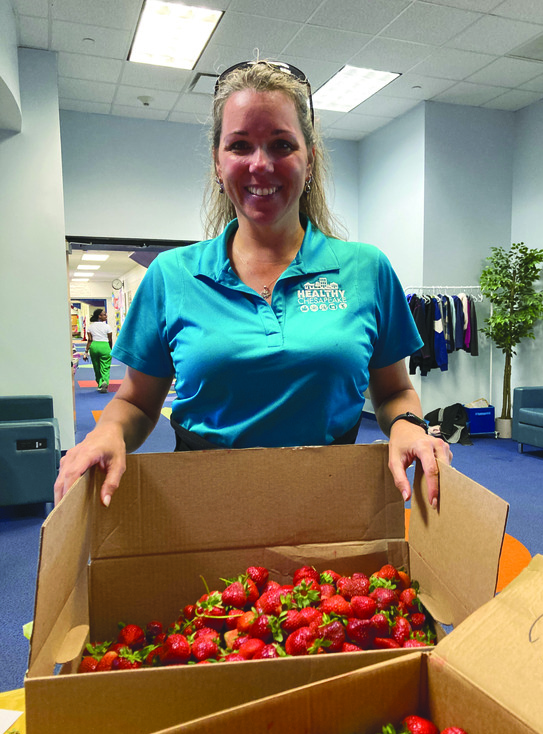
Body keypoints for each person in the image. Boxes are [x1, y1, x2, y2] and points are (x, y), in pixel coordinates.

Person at [55, 60, 451, 508]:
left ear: (310, 158)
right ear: (218, 164)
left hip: (336, 504)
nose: (260, 165)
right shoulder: (172, 275)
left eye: (281, 144)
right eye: (240, 145)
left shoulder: (367, 269)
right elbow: (138, 403)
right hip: (203, 507)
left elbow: (395, 391)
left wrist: (407, 424)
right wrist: (106, 432)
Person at [84, 308, 113, 392]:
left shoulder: (90, 327)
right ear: (99, 316)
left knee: (96, 367)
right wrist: (110, 349)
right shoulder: (107, 327)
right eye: (104, 314)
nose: (106, 316)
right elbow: (110, 340)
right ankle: (105, 381)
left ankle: (100, 384)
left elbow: (89, 340)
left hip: (94, 346)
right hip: (105, 346)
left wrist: (86, 352)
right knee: (105, 367)